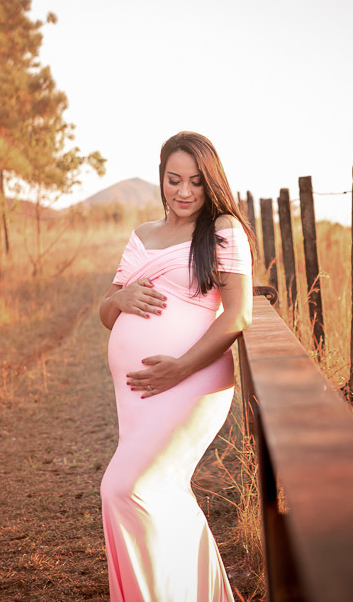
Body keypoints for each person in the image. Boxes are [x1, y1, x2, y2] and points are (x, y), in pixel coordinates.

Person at [98, 131, 254, 602]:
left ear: (211, 184)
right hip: (138, 393)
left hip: (193, 381)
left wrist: (180, 367)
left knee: (124, 487)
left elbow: (238, 313)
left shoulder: (223, 228)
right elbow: (108, 314)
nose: (184, 192)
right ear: (160, 178)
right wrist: (119, 299)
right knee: (163, 491)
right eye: (174, 180)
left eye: (196, 182)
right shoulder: (142, 236)